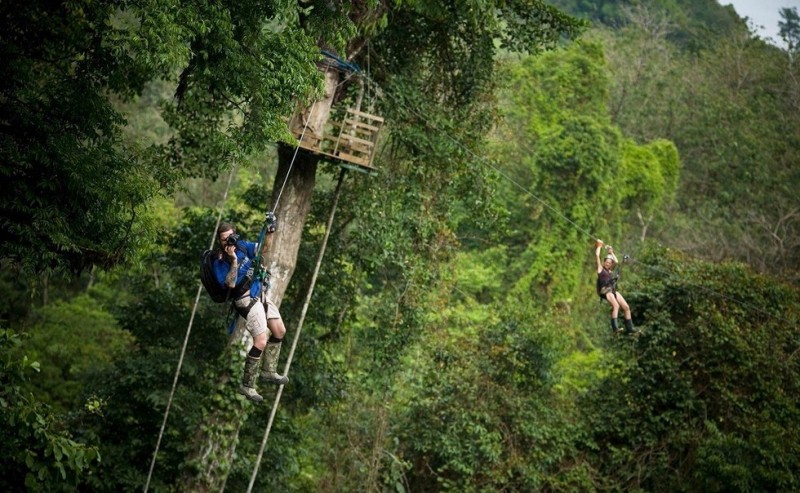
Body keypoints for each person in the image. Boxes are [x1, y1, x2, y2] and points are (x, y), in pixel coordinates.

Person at [214, 220, 289, 402]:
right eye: (224, 240)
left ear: (235, 235)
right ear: (219, 240)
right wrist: (233, 261)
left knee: (279, 331)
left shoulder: (242, 246)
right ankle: (247, 385)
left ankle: (268, 371)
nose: (228, 243)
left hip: (259, 293)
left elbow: (263, 249)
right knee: (261, 340)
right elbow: (230, 284)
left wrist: (270, 232)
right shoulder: (220, 261)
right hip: (244, 299)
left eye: (230, 238)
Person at [595, 239, 637, 335]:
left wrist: (611, 252)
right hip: (605, 291)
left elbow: (617, 262)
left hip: (612, 290)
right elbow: (597, 255)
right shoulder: (600, 269)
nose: (608, 264)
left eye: (610, 263)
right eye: (607, 262)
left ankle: (630, 329)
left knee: (626, 307)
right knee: (616, 306)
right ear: (604, 262)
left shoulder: (610, 271)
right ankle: (615, 328)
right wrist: (599, 246)